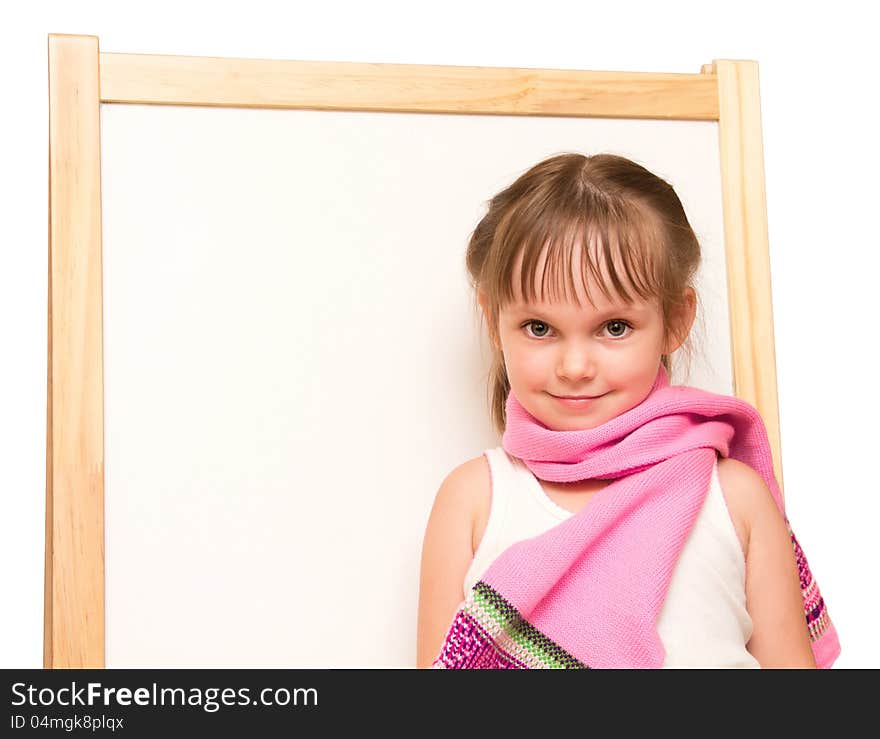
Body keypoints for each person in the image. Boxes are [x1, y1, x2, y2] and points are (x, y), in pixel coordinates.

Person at [416, 152, 840, 669]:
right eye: (539, 327)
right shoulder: (475, 499)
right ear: (493, 321)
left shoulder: (734, 496)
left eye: (614, 327)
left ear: (675, 319)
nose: (574, 366)